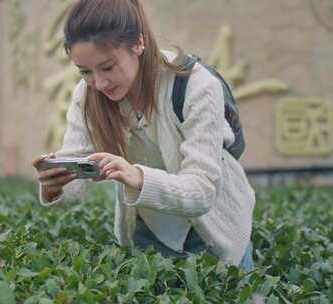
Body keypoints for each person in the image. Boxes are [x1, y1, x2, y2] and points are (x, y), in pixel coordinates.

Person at [32, 0, 255, 271]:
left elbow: (203, 191)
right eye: (85, 71)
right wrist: (55, 185)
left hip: (216, 233)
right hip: (150, 232)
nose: (99, 83)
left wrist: (137, 176)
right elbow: (74, 188)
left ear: (138, 43)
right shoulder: (87, 95)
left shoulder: (195, 85)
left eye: (108, 67)